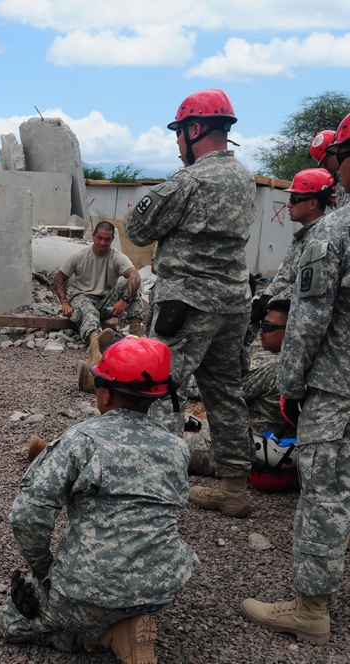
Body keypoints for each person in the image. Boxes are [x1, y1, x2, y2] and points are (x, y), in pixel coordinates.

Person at [0, 337, 198, 664]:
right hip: (165, 587)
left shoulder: (82, 440)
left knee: (13, 618)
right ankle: (127, 621)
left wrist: (44, 570)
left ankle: (104, 635)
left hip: (89, 593)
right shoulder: (176, 447)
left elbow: (27, 514)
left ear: (104, 394)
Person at [240, 111, 350, 646]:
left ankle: (311, 609)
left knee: (325, 494)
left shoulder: (333, 234)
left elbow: (307, 323)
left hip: (336, 388)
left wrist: (291, 386)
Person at [124, 88, 255, 518]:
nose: (178, 144)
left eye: (179, 133)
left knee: (161, 388)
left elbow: (138, 229)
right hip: (233, 303)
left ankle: (155, 490)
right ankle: (235, 490)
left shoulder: (190, 180)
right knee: (225, 393)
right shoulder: (245, 178)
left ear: (194, 129)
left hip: (187, 305)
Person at [187, 299, 298, 488]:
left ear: (290, 331)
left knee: (165, 443)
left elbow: (224, 391)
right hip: (244, 442)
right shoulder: (287, 360)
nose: (261, 330)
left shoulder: (275, 368)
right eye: (262, 324)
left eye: (269, 327)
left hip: (234, 449)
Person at [249, 168, 335, 324]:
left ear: (312, 203)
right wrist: (265, 297)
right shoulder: (305, 235)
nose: (288, 205)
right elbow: (285, 276)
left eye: (294, 199)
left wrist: (269, 303)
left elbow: (306, 287)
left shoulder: (322, 238)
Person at [55, 221, 143, 355]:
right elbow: (59, 278)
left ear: (112, 239)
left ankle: (136, 334)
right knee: (89, 310)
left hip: (104, 302)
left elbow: (135, 276)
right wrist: (65, 303)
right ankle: (95, 341)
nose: (102, 243)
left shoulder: (116, 257)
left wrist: (124, 300)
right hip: (82, 298)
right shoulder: (79, 256)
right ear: (93, 236)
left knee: (131, 286)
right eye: (99, 238)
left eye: (107, 239)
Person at [309, 129, 349, 209]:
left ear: (334, 152)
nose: (325, 168)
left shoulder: (346, 178)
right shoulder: (338, 180)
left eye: (325, 162)